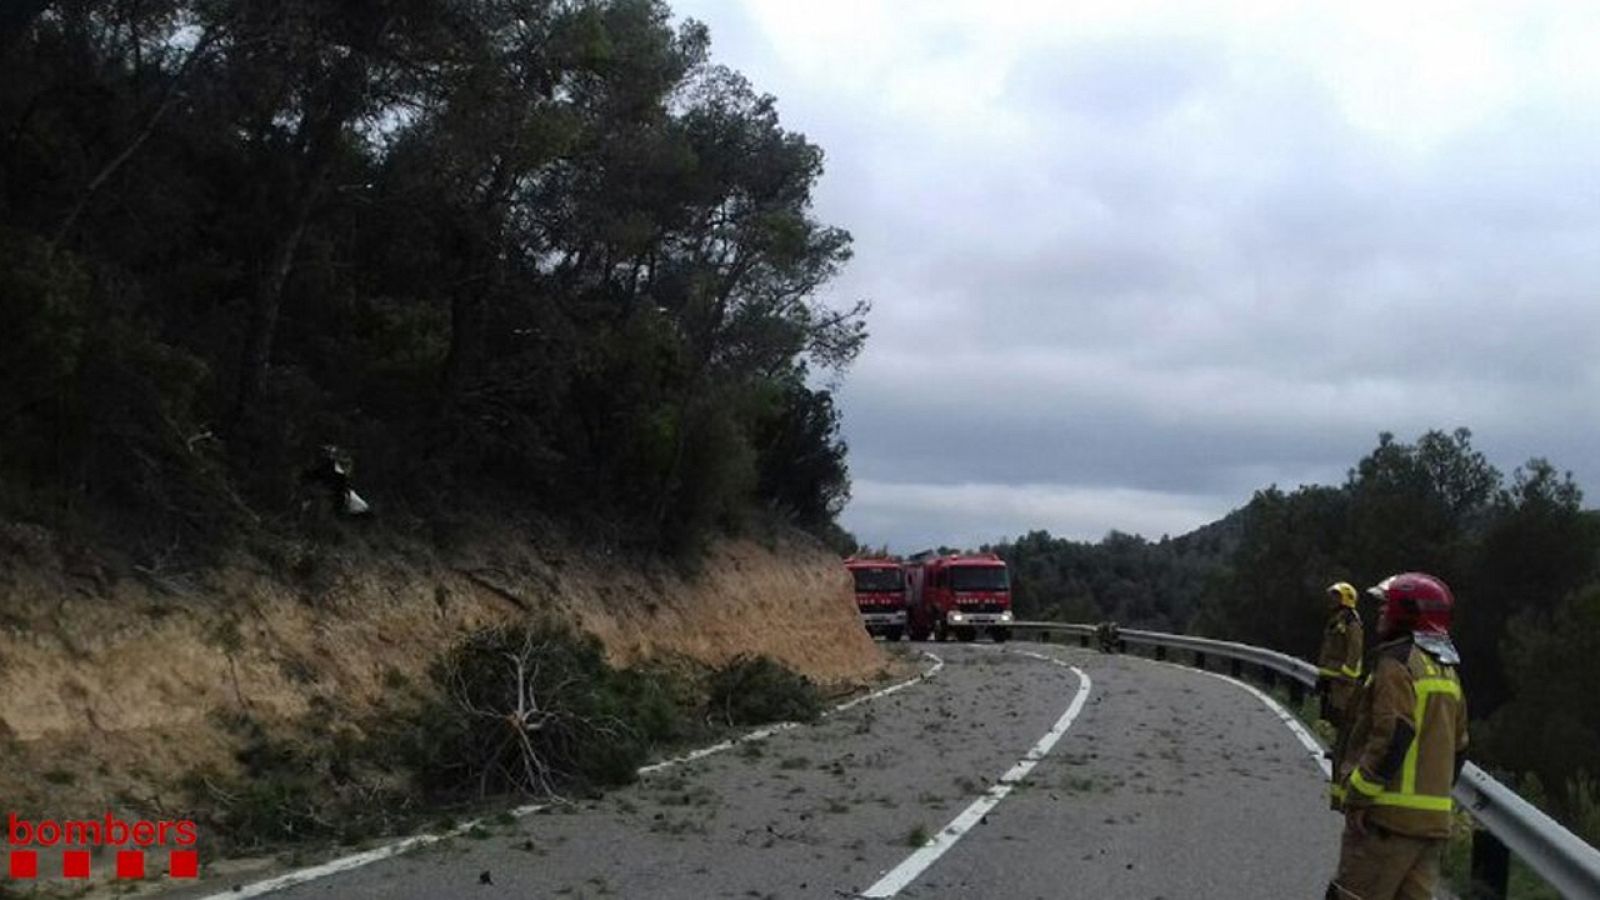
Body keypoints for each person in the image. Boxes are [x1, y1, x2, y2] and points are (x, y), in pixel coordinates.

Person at [1327, 573, 1469, 900]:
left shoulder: (1396, 663)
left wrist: (1360, 796)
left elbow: (1394, 734)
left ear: (1408, 614)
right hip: (1431, 827)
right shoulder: (1445, 668)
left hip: (1386, 823)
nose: (1379, 612)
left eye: (1386, 606)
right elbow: (1460, 747)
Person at [1317, 581, 1364, 770]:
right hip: (1332, 675)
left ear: (1346, 599)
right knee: (1333, 714)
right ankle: (1337, 748)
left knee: (1343, 715)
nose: (1332, 600)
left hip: (1343, 679)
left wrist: (1347, 674)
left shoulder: (1351, 622)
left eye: (1336, 596)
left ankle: (1344, 751)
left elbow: (1355, 650)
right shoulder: (1337, 619)